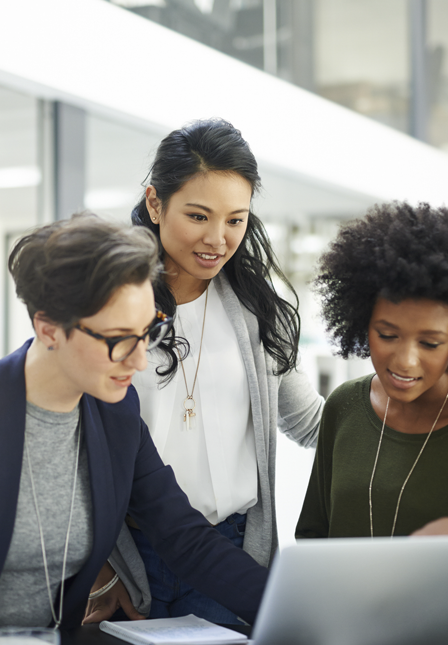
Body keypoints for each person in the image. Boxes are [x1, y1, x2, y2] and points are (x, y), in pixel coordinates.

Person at [0, 213, 269, 645]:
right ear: (49, 329)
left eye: (146, 333)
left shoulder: (115, 414)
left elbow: (185, 539)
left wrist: (295, 607)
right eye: (118, 340)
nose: (137, 361)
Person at [85, 119, 324, 624]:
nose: (218, 239)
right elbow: (74, 443)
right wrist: (103, 566)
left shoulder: (259, 311)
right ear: (155, 203)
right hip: (131, 556)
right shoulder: (109, 306)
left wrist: (413, 407)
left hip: (232, 552)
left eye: (236, 220)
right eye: (198, 215)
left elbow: (310, 422)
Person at [295, 202, 448, 540]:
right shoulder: (344, 406)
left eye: (430, 343)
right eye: (387, 335)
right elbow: (312, 535)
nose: (405, 361)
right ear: (362, 321)